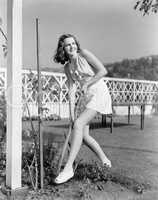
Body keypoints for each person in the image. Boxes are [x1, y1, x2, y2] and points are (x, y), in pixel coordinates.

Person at [53, 34, 112, 184]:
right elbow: (72, 90)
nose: (72, 46)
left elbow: (103, 71)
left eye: (73, 43)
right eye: (68, 45)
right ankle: (105, 160)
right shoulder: (67, 67)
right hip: (86, 97)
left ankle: (68, 168)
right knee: (83, 135)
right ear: (63, 49)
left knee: (79, 125)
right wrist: (71, 113)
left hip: (98, 91)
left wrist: (88, 83)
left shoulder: (84, 54)